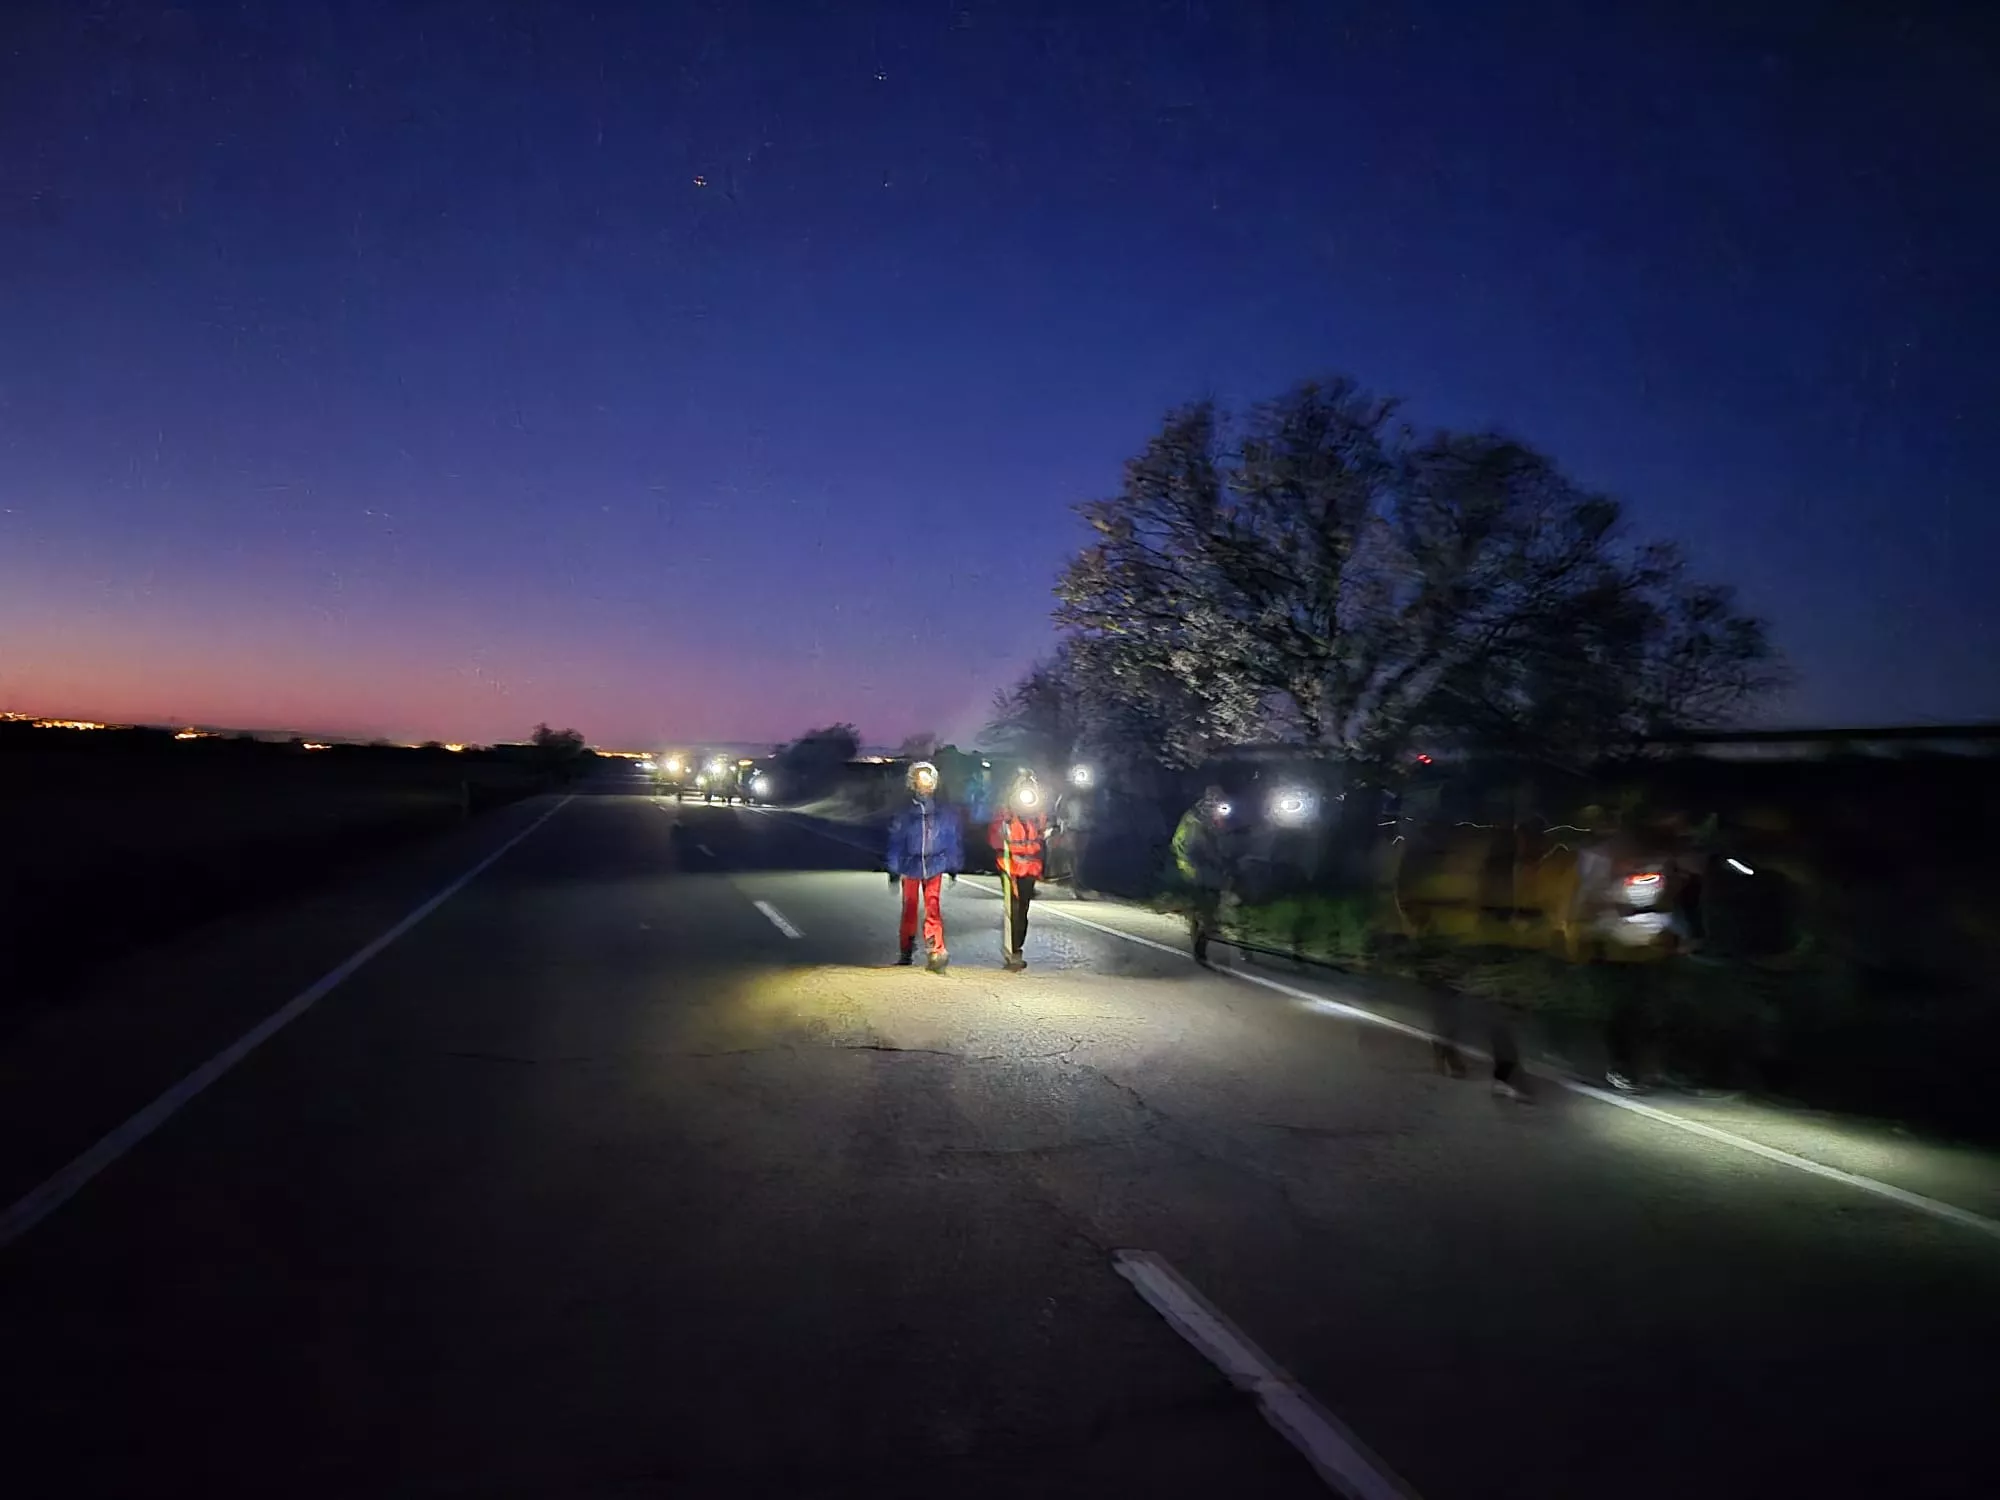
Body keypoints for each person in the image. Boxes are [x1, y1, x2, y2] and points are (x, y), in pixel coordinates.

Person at [886, 760, 963, 972]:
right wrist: (893, 867)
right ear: (914, 783)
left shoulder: (942, 810)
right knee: (910, 908)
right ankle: (906, 951)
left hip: (935, 863)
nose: (926, 784)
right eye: (922, 780)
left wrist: (953, 865)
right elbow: (896, 840)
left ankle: (935, 950)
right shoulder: (905, 812)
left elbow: (951, 838)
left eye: (929, 780)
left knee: (933, 907)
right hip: (910, 865)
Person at [989, 773, 1050, 971]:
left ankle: (1017, 945)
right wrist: (1000, 838)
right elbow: (993, 837)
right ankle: (1013, 948)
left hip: (1030, 867)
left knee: (1023, 908)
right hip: (1010, 866)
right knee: (1013, 906)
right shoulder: (1005, 814)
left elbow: (1042, 839)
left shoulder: (1038, 816)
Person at [1172, 786, 1232, 965]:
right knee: (1204, 909)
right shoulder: (1195, 819)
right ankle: (1200, 947)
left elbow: (1224, 842)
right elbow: (1194, 847)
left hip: (1210, 870)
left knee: (1209, 907)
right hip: (1194, 868)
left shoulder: (1217, 819)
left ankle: (1202, 934)